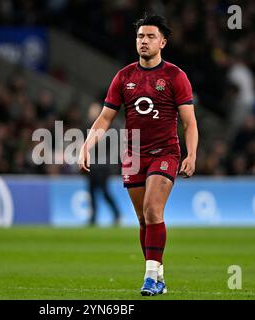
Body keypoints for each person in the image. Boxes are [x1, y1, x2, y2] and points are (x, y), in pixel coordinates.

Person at [78, 15, 198, 296]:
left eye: (150, 37)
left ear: (163, 42)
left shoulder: (175, 77)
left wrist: (191, 154)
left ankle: (149, 277)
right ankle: (160, 276)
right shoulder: (124, 77)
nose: (144, 41)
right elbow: (105, 118)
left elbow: (189, 122)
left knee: (153, 210)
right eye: (140, 37)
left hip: (165, 152)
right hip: (133, 156)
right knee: (145, 220)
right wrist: (86, 145)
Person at [85, 102, 120, 227]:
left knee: (104, 192)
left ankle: (116, 213)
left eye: (93, 111)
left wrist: (110, 164)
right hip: (92, 166)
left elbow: (113, 148)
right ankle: (93, 217)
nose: (91, 113)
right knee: (91, 192)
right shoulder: (89, 128)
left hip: (103, 167)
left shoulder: (108, 128)